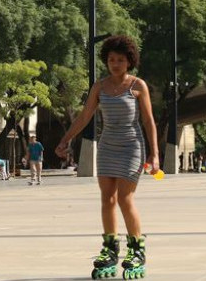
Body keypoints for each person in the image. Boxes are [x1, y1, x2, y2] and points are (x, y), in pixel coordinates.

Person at [55, 35, 159, 279]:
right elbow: (84, 116)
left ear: (129, 61)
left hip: (132, 146)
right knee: (107, 199)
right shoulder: (100, 87)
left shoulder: (137, 86)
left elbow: (148, 120)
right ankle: (110, 249)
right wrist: (66, 139)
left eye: (120, 60)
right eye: (111, 59)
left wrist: (155, 155)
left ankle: (136, 250)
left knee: (125, 198)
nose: (115, 64)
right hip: (108, 146)